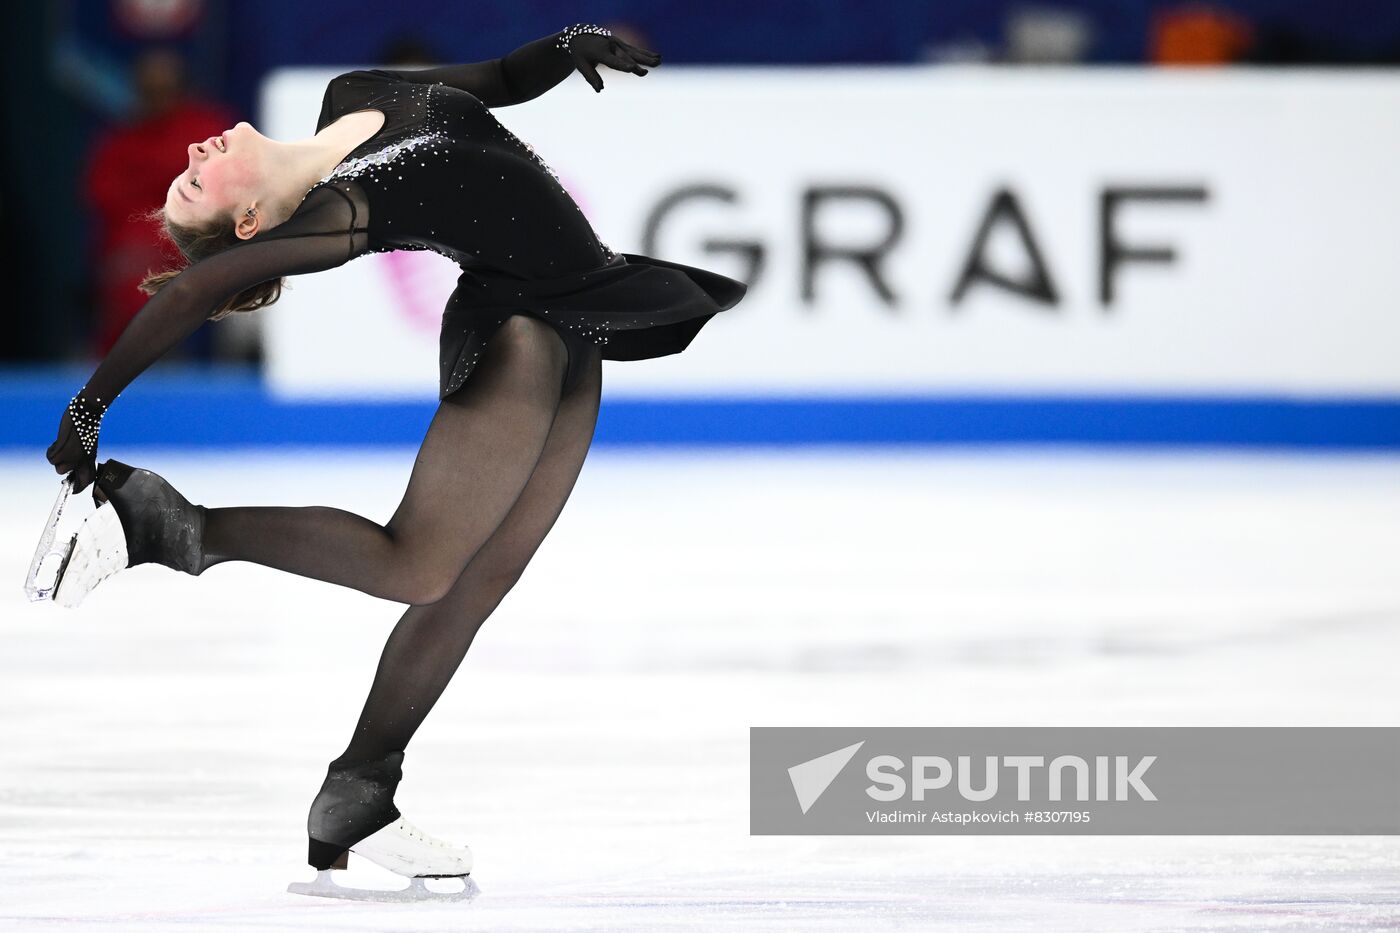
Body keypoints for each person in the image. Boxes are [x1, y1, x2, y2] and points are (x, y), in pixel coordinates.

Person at [44, 23, 747, 900]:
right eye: (196, 184)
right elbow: (194, 288)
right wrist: (86, 407)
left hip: (580, 326)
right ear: (252, 222)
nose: (195, 148)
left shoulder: (354, 93)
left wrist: (565, 49)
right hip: (518, 339)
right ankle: (164, 524)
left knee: (478, 585)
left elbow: (494, 79)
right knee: (417, 565)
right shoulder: (347, 209)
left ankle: (359, 792)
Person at [81, 48, 236, 358]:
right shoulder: (120, 141)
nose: (157, 100)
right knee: (134, 273)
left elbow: (228, 190)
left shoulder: (208, 130)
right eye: (149, 93)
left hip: (203, 240)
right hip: (143, 245)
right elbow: (103, 196)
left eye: (165, 92)